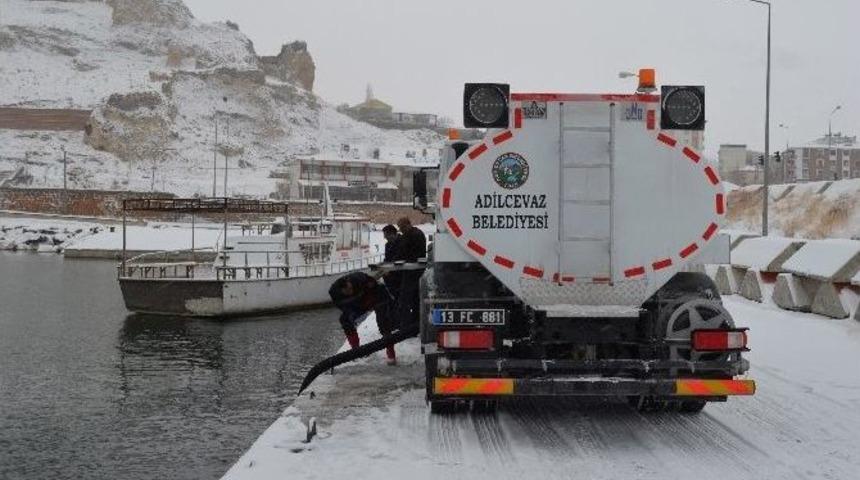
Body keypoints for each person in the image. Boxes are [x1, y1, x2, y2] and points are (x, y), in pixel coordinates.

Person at [328, 271, 396, 365]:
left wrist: (379, 306)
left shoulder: (360, 278)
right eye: (347, 291)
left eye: (350, 288)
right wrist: (353, 315)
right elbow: (343, 307)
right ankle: (356, 351)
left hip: (375, 297)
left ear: (350, 283)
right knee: (345, 320)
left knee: (383, 323)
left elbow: (377, 289)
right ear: (341, 291)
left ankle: (391, 354)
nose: (350, 291)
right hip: (357, 304)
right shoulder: (334, 292)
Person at [393, 217, 426, 329]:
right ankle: (414, 325)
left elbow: (406, 252)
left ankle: (406, 327)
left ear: (407, 225)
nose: (400, 230)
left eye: (401, 227)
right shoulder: (416, 233)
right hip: (416, 270)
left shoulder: (413, 235)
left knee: (405, 300)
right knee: (415, 299)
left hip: (412, 271)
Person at [381, 224, 402, 301]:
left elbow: (400, 257)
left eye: (386, 235)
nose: (385, 237)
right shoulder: (388, 245)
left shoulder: (403, 242)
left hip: (400, 274)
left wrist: (389, 269)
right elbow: (387, 258)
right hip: (390, 275)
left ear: (392, 234)